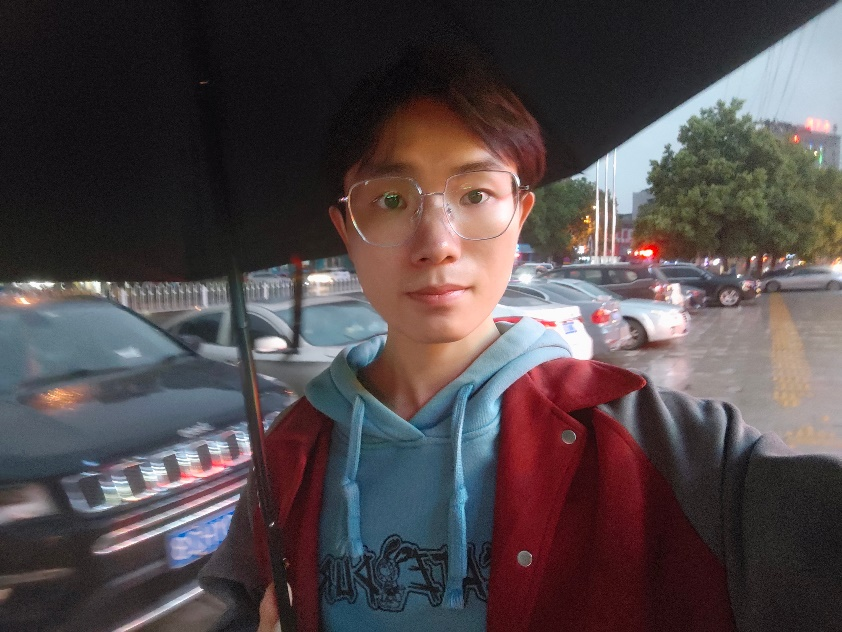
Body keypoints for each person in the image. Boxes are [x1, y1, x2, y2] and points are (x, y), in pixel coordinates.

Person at [199, 47, 842, 632]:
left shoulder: (670, 452)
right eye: (391, 200)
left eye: (476, 193)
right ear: (346, 228)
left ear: (519, 215)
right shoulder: (290, 457)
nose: (437, 244)